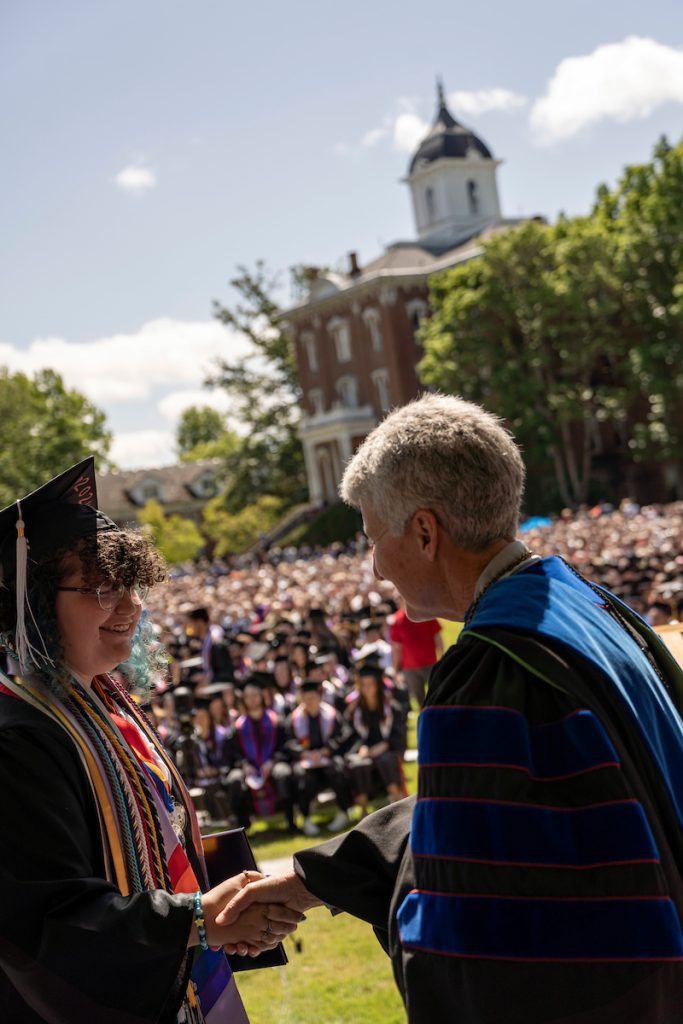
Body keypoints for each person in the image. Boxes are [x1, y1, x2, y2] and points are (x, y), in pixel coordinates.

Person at [220, 395, 683, 1024]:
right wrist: (314, 880)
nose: (377, 568)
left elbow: (468, 919)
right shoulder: (595, 610)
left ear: (425, 531)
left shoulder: (490, 668)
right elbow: (476, 808)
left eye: (374, 540)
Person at [0, 458, 302, 1023]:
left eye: (131, 585)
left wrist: (225, 902)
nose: (131, 606)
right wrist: (193, 918)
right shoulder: (18, 739)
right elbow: (42, 917)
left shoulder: (103, 704)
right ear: (34, 604)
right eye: (100, 588)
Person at [286, 679, 354, 837]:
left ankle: (343, 812)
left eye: (313, 697)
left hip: (328, 757)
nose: (310, 702)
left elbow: (342, 736)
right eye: (306, 698)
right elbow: (289, 742)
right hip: (305, 760)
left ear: (319, 697)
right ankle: (306, 818)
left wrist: (327, 750)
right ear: (301, 699)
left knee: (337, 769)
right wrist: (303, 753)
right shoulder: (294, 719)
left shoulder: (331, 714)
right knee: (301, 776)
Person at [344, 662, 406, 815]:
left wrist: (385, 745)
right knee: (358, 764)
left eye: (370, 684)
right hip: (366, 752)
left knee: (385, 759)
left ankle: (398, 803)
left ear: (378, 684)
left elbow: (399, 735)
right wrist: (362, 747)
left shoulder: (391, 707)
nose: (367, 688)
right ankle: (364, 812)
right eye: (363, 685)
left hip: (386, 750)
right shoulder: (355, 710)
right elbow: (351, 735)